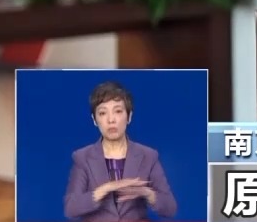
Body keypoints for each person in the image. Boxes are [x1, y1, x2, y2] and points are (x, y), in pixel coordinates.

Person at [63, 81, 177, 221]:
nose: (111, 120)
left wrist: (148, 194)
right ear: (94, 120)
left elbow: (170, 209)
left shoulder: (148, 156)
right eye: (102, 113)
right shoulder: (82, 157)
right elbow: (70, 209)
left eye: (118, 111)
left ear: (129, 116)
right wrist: (104, 189)